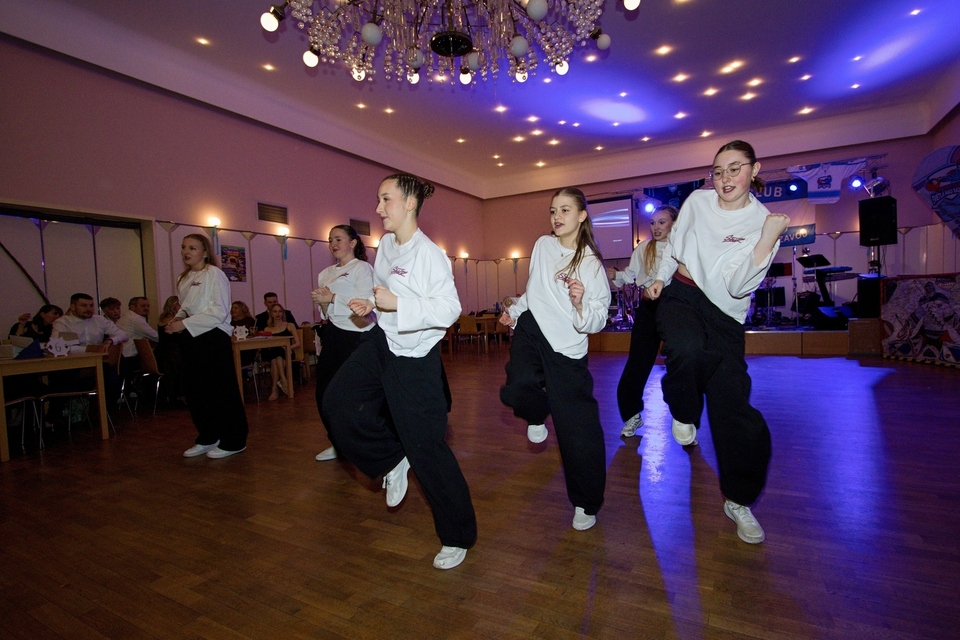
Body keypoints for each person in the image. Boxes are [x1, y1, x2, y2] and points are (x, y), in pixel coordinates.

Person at [322, 173, 476, 570]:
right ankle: (391, 460)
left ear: (409, 203)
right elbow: (382, 290)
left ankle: (457, 535)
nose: (378, 208)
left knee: (427, 450)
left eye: (385, 199)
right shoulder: (388, 244)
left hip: (416, 357)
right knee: (337, 403)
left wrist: (397, 304)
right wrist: (370, 303)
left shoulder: (430, 255)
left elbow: (449, 309)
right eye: (378, 199)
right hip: (383, 342)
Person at [647, 140, 790, 545]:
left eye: (735, 168)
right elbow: (673, 248)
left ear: (754, 169)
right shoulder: (697, 201)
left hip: (725, 315)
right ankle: (684, 412)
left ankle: (738, 500)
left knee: (736, 412)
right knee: (687, 348)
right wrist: (659, 276)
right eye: (718, 170)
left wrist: (767, 238)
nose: (725, 178)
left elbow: (737, 285)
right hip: (682, 295)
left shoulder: (764, 222)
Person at [499, 187, 611, 532]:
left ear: (582, 216)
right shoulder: (542, 245)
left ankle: (585, 502)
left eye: (565, 210)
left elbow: (598, 318)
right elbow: (535, 289)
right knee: (517, 387)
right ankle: (536, 415)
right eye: (552, 211)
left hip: (567, 345)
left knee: (577, 429)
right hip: (533, 329)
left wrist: (580, 304)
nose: (557, 217)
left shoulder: (590, 262)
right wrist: (515, 311)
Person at [165, 233, 249, 459]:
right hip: (191, 336)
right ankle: (209, 436)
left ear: (204, 252)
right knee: (195, 391)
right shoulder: (183, 278)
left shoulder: (214, 274)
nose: (186, 252)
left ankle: (234, 440)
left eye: (192, 248)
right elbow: (186, 307)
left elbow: (219, 311)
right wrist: (177, 319)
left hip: (213, 336)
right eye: (184, 247)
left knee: (220, 390)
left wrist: (184, 323)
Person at [605, 205, 679, 437]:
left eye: (662, 222)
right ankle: (632, 416)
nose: (656, 227)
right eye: (653, 223)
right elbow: (630, 275)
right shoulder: (644, 248)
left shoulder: (682, 247)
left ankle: (685, 420)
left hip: (676, 309)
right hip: (648, 308)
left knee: (682, 363)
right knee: (637, 363)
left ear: (674, 224)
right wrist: (616, 275)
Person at [310, 224, 375, 461]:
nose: (333, 244)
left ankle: (361, 442)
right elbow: (326, 313)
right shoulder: (325, 273)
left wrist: (333, 297)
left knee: (353, 394)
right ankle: (338, 442)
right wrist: (323, 302)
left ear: (353, 243)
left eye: (338, 239)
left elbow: (366, 303)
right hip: (334, 333)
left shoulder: (362, 268)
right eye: (330, 240)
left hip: (357, 335)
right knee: (324, 391)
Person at [52, 293, 128, 348]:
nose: (89, 309)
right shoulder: (63, 323)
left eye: (91, 305)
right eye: (84, 306)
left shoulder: (99, 320)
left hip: (98, 360)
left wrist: (110, 340)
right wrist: (93, 350)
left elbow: (123, 335)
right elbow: (58, 346)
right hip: (73, 361)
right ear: (73, 307)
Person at [260, 303, 300, 401]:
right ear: (271, 314)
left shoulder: (289, 325)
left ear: (283, 313)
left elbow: (298, 343)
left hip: (287, 352)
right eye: (275, 311)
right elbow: (266, 345)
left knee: (276, 358)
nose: (278, 314)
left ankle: (274, 389)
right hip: (272, 352)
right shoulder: (267, 329)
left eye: (280, 311)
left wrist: (288, 348)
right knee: (276, 354)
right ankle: (283, 380)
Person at [116, 296, 159, 376]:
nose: (146, 308)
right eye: (143, 306)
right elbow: (156, 337)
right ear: (132, 307)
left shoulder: (126, 316)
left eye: (148, 306)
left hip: (120, 357)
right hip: (130, 359)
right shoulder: (136, 319)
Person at [156, 296, 185, 405]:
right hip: (172, 357)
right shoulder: (174, 321)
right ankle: (182, 394)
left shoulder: (162, 319)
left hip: (162, 354)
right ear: (174, 306)